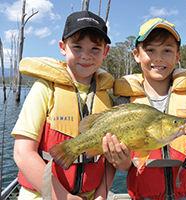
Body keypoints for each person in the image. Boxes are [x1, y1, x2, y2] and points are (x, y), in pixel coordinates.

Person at [102, 18, 186, 200]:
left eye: (167, 50)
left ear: (177, 56)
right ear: (136, 54)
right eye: (150, 50)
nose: (158, 58)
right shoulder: (125, 101)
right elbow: (125, 167)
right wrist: (122, 160)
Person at [12, 11, 115, 200]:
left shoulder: (106, 97)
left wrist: (101, 194)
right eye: (77, 47)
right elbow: (22, 152)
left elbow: (110, 158)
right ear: (63, 47)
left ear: (105, 52)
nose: (86, 55)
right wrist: (63, 197)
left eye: (95, 49)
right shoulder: (45, 88)